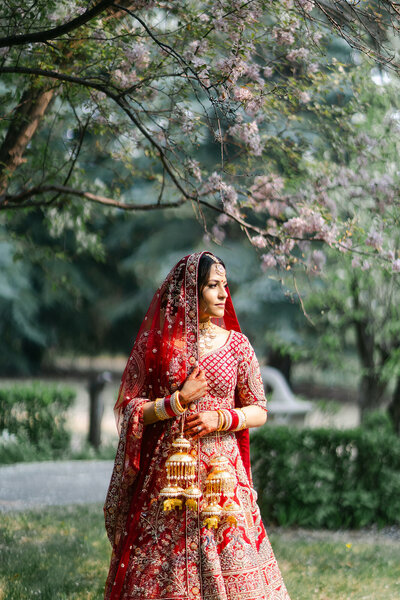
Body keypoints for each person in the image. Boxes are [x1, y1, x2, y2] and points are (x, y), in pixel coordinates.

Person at [104, 251, 291, 600]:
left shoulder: (238, 346)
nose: (224, 294)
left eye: (225, 286)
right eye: (213, 286)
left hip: (222, 479)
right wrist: (177, 402)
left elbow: (260, 409)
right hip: (169, 479)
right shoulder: (156, 346)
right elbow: (130, 408)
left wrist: (219, 418)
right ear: (191, 291)